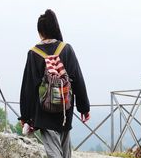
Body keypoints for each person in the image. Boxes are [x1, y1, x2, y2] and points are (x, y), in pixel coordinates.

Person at [19, 9, 90, 158]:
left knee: (54, 153)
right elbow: (77, 78)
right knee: (64, 152)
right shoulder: (66, 49)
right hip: (65, 109)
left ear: (40, 32)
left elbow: (28, 87)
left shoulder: (34, 53)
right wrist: (84, 107)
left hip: (44, 112)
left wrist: (25, 116)